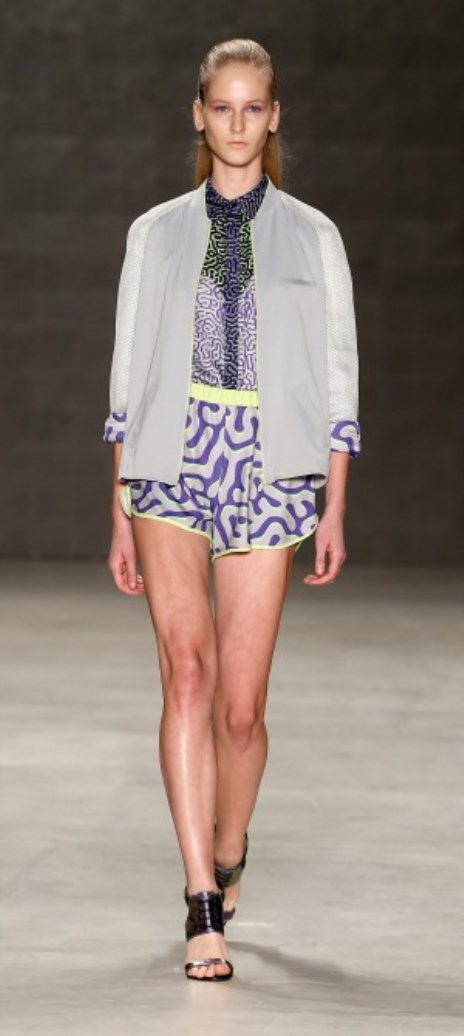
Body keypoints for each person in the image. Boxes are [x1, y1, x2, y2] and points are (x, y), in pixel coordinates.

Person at [103, 38, 361, 982]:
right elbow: (128, 375)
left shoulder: (316, 236)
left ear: (275, 115)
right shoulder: (153, 233)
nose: (239, 123)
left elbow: (338, 376)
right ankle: (200, 905)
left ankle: (230, 845)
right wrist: (118, 508)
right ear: (199, 115)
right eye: (223, 107)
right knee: (187, 675)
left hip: (272, 464)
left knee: (241, 714)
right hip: (169, 460)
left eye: (255, 107)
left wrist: (333, 506)